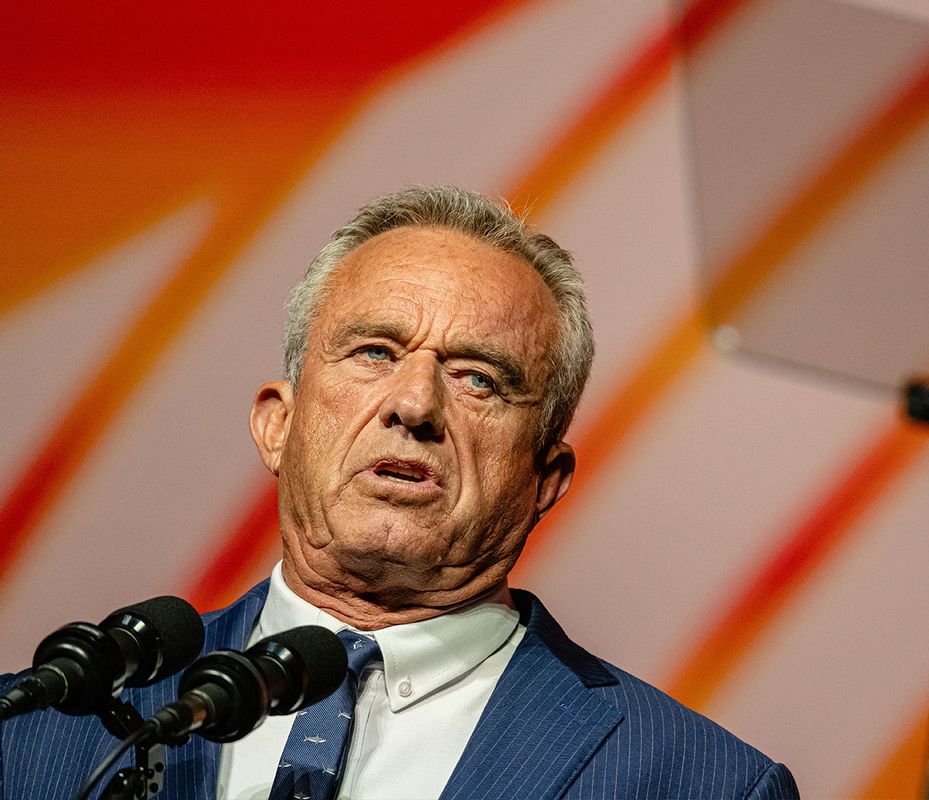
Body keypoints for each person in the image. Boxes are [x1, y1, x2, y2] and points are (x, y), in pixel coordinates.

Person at [0, 186, 799, 799]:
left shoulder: (700, 783)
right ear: (277, 425)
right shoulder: (39, 725)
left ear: (544, 481)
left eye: (478, 378)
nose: (414, 406)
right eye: (375, 352)